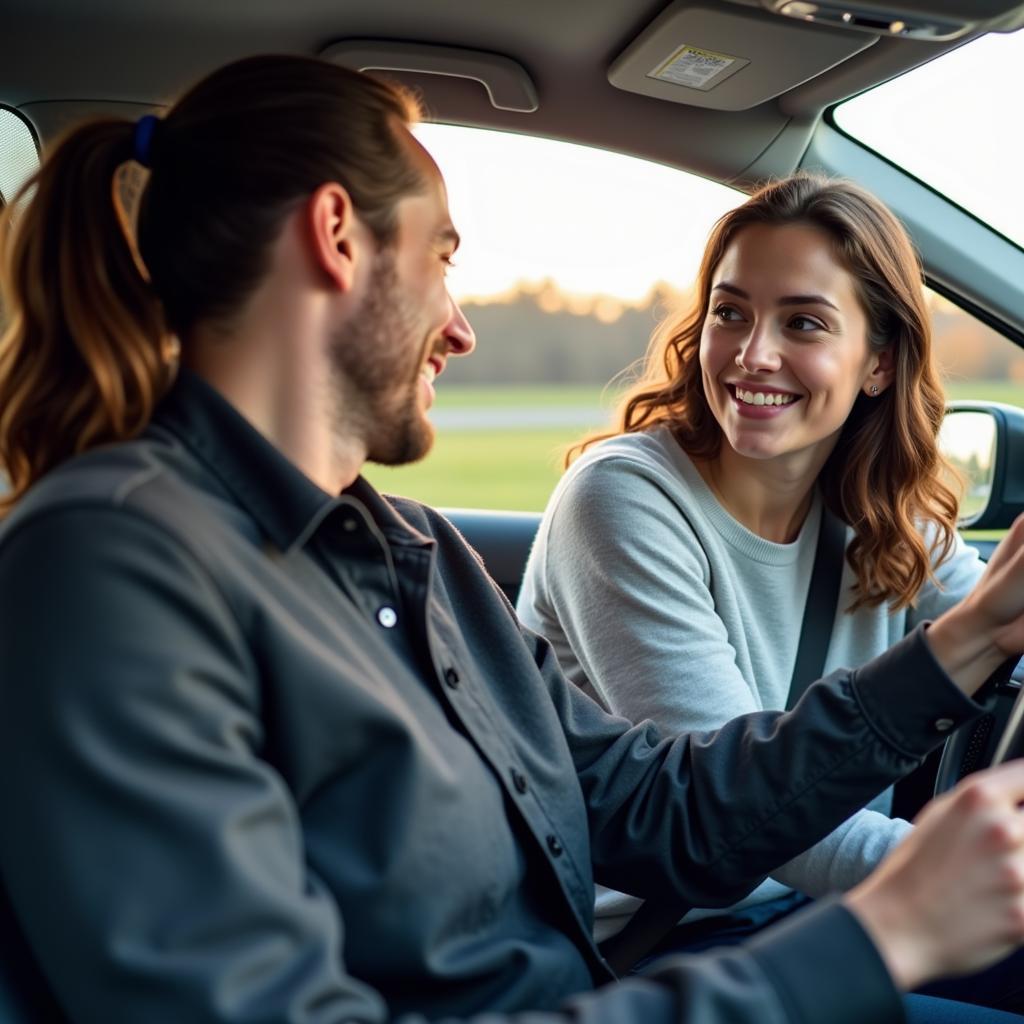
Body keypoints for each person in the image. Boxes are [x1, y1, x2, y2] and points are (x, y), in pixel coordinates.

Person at [1, 56, 1024, 1024]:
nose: (460, 327)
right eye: (443, 258)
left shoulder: (412, 554)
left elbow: (673, 810)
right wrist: (879, 935)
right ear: (336, 237)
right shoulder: (110, 564)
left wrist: (971, 641)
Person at [516, 175, 1024, 1007]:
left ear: (879, 363)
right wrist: (966, 878)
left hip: (813, 908)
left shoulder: (881, 513)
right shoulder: (624, 502)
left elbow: (993, 623)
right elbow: (739, 822)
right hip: (652, 954)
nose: (753, 353)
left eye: (803, 323)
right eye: (730, 312)